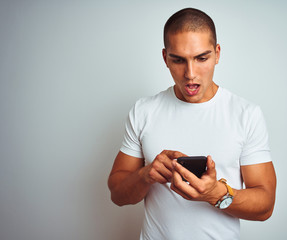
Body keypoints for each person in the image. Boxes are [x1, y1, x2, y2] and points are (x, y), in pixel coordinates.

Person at [108, 8, 276, 240]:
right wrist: (146, 175)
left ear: (217, 54)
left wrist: (215, 193)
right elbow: (117, 194)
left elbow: (266, 206)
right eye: (178, 60)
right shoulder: (143, 111)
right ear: (165, 57)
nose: (190, 73)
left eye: (201, 58)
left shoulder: (246, 114)